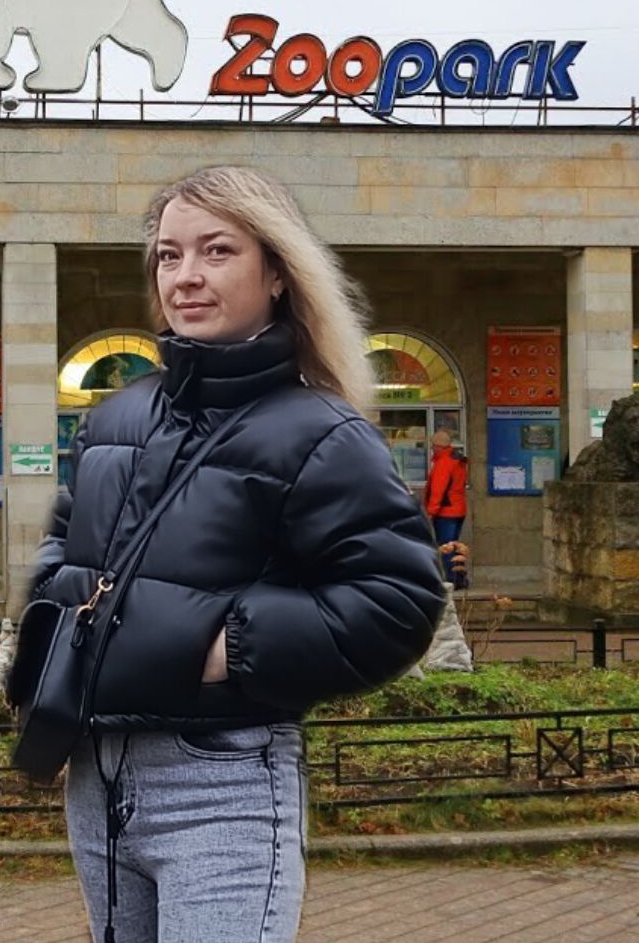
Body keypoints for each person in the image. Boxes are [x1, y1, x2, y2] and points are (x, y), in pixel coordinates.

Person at [30, 166, 444, 942]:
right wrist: (54, 647)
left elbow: (397, 599)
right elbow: (64, 551)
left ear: (278, 272)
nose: (185, 275)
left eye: (216, 250)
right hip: (96, 777)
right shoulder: (117, 418)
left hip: (220, 781)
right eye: (169, 254)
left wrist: (227, 648)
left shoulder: (321, 431)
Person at [424, 428, 470, 588]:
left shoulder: (443, 463)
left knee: (446, 548)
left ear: (439, 446)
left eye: (433, 445)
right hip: (458, 509)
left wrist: (430, 512)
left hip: (446, 512)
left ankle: (450, 581)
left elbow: (438, 491)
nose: (431, 448)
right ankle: (460, 579)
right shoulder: (457, 460)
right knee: (456, 547)